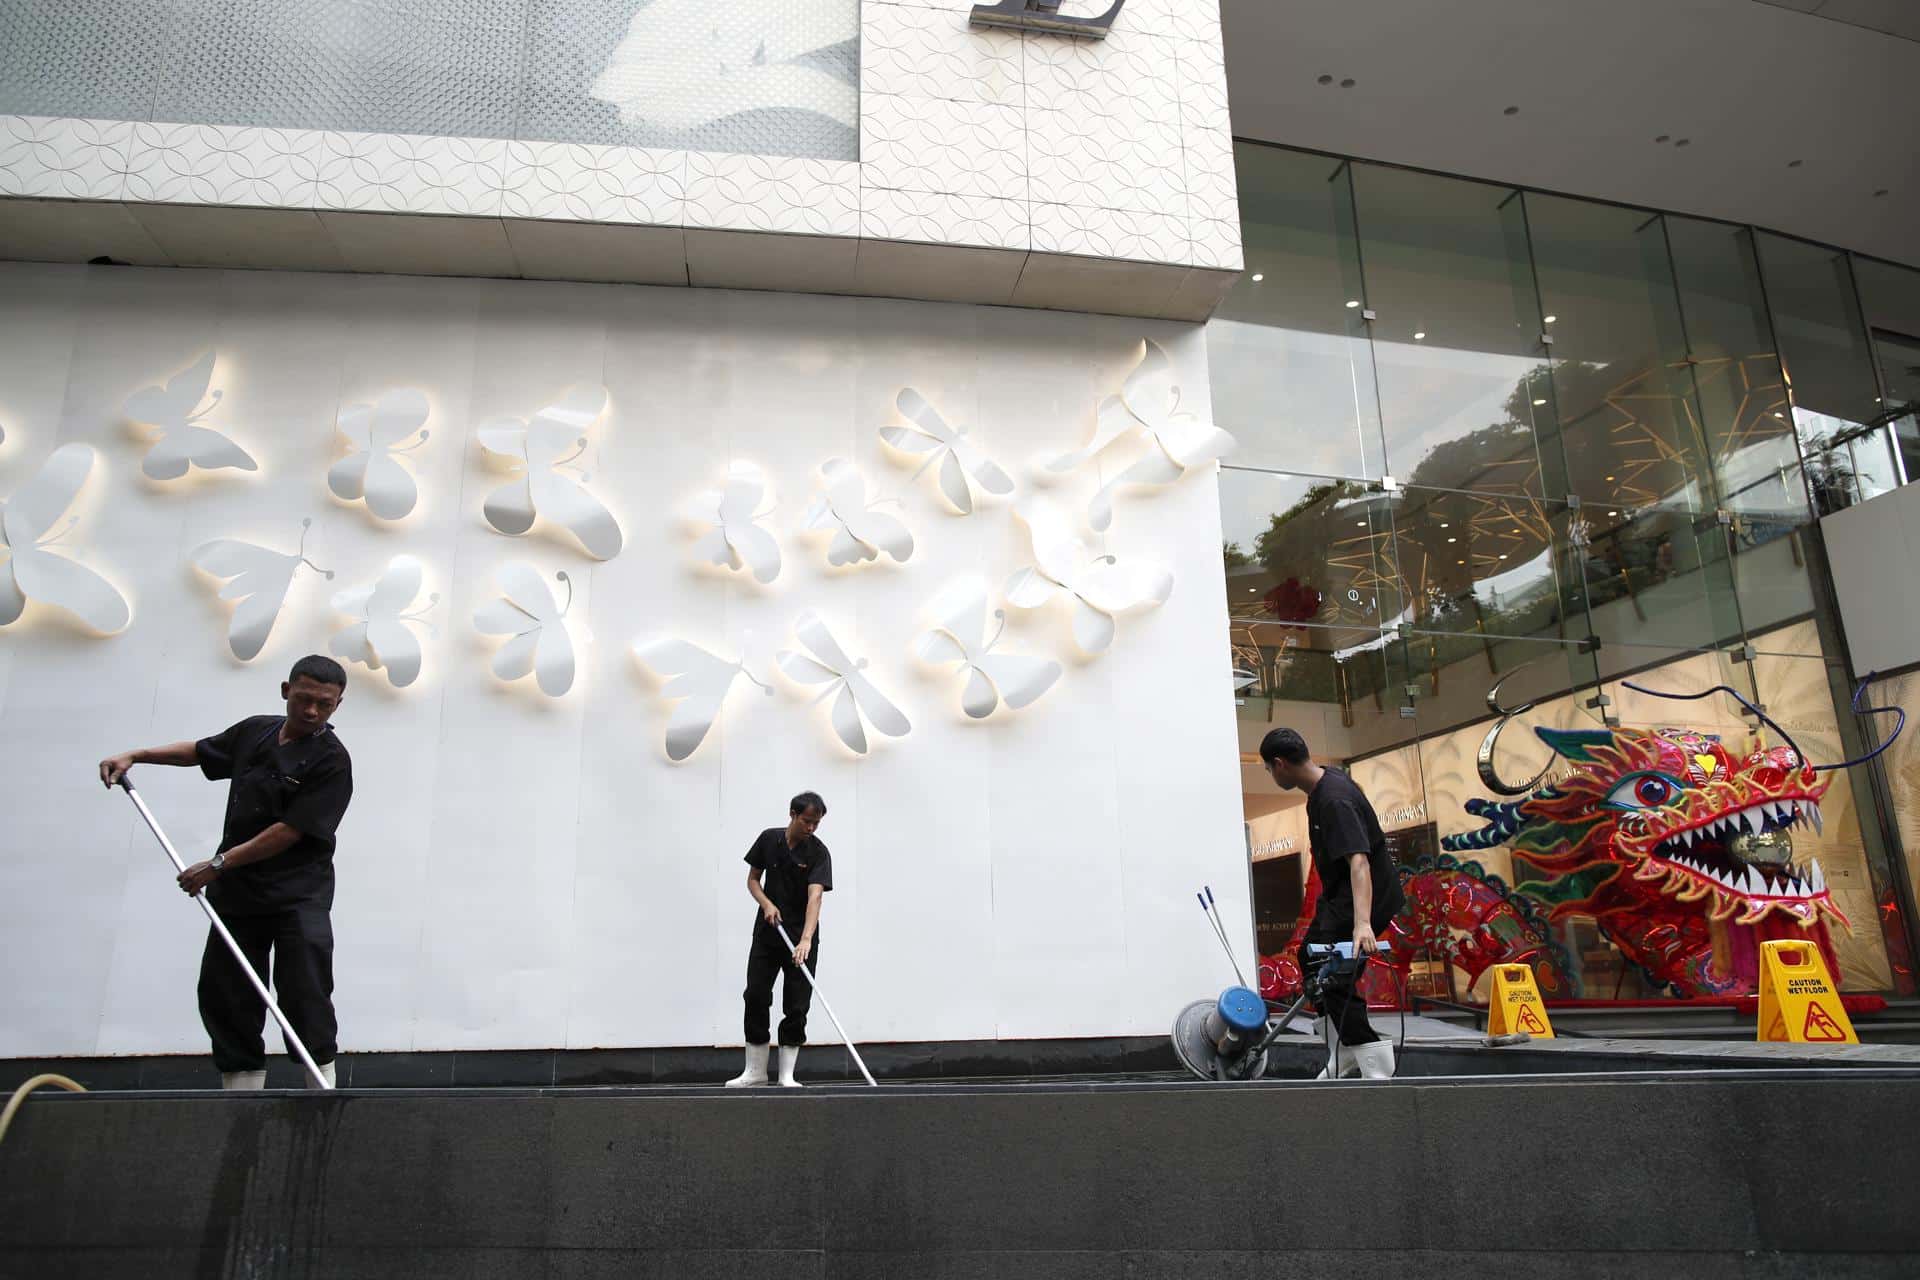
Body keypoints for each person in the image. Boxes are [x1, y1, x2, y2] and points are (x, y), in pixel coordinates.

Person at [98, 655, 354, 1090]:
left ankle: (322, 1091)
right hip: (238, 894)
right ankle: (241, 1096)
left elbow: (289, 831)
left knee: (304, 989)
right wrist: (137, 755)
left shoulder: (332, 761)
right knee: (227, 991)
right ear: (286, 690)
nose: (312, 711)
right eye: (305, 698)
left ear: (337, 705)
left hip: (297, 895)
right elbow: (200, 752)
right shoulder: (257, 731)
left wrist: (218, 864)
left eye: (324, 704)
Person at [1260, 727, 1404, 1080]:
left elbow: (1360, 862)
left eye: (1268, 769)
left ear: (1279, 765)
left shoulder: (1334, 799)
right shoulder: (1323, 784)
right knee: (1310, 956)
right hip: (1338, 896)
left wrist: (1363, 923)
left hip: (1364, 898)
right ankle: (1341, 1050)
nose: (1271, 774)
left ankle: (1373, 1058)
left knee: (1335, 973)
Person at [725, 791, 832, 1088]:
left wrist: (806, 940)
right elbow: (752, 880)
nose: (811, 828)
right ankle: (756, 1072)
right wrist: (766, 904)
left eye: (817, 823)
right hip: (768, 934)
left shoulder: (819, 853)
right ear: (793, 814)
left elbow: (816, 897)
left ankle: (787, 1075)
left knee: (796, 1005)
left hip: (801, 937)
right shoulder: (768, 840)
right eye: (807, 821)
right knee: (756, 995)